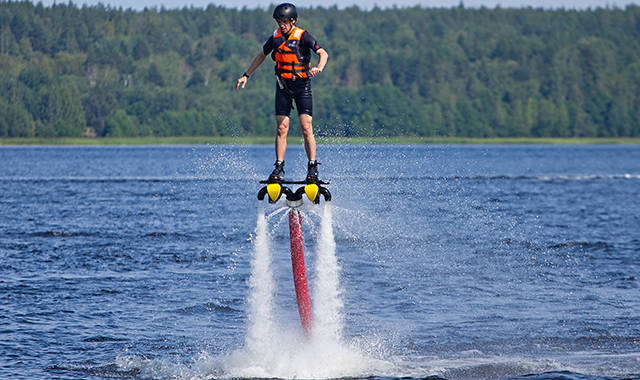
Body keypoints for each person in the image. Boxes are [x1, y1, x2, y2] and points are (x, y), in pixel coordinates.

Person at [235, 3, 328, 182]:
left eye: (284, 21)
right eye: (279, 21)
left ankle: (312, 167)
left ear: (293, 21)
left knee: (306, 128)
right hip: (283, 87)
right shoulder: (275, 37)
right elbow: (261, 55)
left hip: (302, 88)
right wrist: (246, 75)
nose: (281, 24)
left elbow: (323, 53)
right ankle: (278, 167)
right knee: (281, 128)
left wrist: (320, 67)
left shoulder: (303, 36)